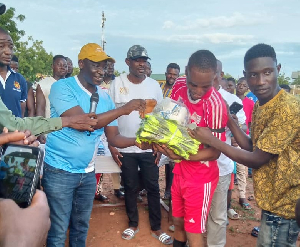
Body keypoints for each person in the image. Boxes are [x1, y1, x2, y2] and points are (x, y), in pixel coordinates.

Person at [190, 43, 300, 246]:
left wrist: (212, 140)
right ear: (245, 74)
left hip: (285, 205)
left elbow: (257, 159)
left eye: (267, 72)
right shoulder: (262, 103)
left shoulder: (287, 109)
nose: (260, 81)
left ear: (279, 69)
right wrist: (229, 118)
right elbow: (251, 146)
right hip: (272, 200)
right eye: (253, 75)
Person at [42, 43, 146, 247]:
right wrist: (123, 109)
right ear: (81, 64)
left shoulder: (105, 97)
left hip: (88, 173)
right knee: (58, 229)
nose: (102, 70)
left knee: (81, 227)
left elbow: (114, 138)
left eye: (105, 65)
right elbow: (85, 123)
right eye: (96, 65)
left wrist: (142, 142)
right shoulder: (62, 87)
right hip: (59, 170)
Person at [154, 50, 228, 247]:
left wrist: (181, 154)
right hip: (179, 171)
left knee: (193, 231)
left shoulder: (216, 105)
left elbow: (215, 151)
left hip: (200, 177)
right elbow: (168, 120)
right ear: (186, 73)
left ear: (214, 78)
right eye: (193, 84)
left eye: (205, 86)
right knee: (177, 222)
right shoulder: (177, 86)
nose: (197, 91)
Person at [108, 45, 172, 245]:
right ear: (128, 62)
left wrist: (159, 146)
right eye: (137, 60)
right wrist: (112, 146)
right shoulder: (116, 83)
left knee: (153, 187)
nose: (141, 64)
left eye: (144, 60)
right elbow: (108, 116)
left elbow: (161, 117)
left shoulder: (154, 85)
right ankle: (133, 224)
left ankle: (156, 227)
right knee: (130, 187)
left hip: (148, 147)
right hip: (124, 147)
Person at [205, 60, 246, 247]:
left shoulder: (232, 100)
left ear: (221, 75)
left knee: (218, 216)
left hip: (220, 167)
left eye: (216, 72)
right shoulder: (193, 96)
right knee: (196, 211)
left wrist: (234, 123)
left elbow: (242, 132)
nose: (212, 76)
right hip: (195, 166)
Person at [36, 55, 67, 144]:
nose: (62, 68)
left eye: (65, 66)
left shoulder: (71, 85)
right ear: (52, 66)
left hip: (68, 133)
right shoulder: (43, 84)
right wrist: (40, 131)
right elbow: (40, 110)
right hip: (49, 132)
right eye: (59, 64)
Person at [235, 77, 254, 210]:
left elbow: (251, 123)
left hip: (243, 138)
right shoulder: (230, 99)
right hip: (229, 138)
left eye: (244, 85)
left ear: (247, 88)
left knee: (242, 169)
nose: (241, 86)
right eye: (239, 84)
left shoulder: (250, 103)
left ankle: (242, 196)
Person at [0, 27, 27, 118]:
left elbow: (22, 110)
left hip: (14, 131)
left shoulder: (19, 79)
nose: (8, 52)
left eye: (11, 47)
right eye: (1, 46)